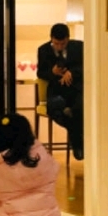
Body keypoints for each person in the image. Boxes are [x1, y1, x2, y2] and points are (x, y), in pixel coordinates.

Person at [37, 23, 83, 160]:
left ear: (68, 39)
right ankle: (78, 141)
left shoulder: (79, 47)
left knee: (80, 109)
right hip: (56, 91)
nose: (59, 47)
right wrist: (52, 72)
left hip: (75, 90)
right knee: (56, 110)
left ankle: (77, 141)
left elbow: (87, 66)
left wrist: (72, 73)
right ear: (51, 39)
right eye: (56, 43)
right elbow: (41, 73)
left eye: (63, 44)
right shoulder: (43, 50)